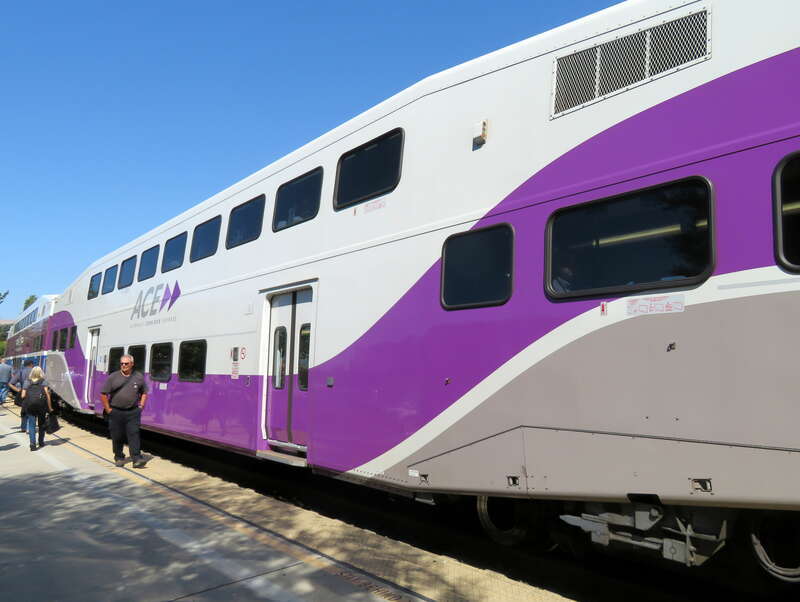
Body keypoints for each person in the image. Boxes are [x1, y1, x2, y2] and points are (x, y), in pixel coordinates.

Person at [101, 354, 149, 468]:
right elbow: (103, 394)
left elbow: (144, 392)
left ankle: (136, 458)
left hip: (132, 412)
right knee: (117, 436)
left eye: (126, 363)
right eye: (122, 363)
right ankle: (119, 457)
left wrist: (141, 406)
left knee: (134, 434)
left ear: (132, 364)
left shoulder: (138, 377)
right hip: (116, 412)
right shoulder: (113, 377)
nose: (123, 365)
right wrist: (108, 409)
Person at [21, 366, 53, 451]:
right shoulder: (43, 381)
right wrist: (50, 407)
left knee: (31, 425)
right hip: (41, 406)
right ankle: (41, 442)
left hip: (30, 406)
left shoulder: (27, 381)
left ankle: (32, 444)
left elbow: (22, 395)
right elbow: (47, 395)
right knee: (41, 424)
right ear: (41, 373)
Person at [9, 360, 35, 431]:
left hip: (24, 393)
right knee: (33, 411)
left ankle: (24, 427)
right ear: (31, 364)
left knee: (24, 410)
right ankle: (30, 428)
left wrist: (19, 390)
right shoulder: (35, 371)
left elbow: (10, 383)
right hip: (35, 393)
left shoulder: (20, 372)